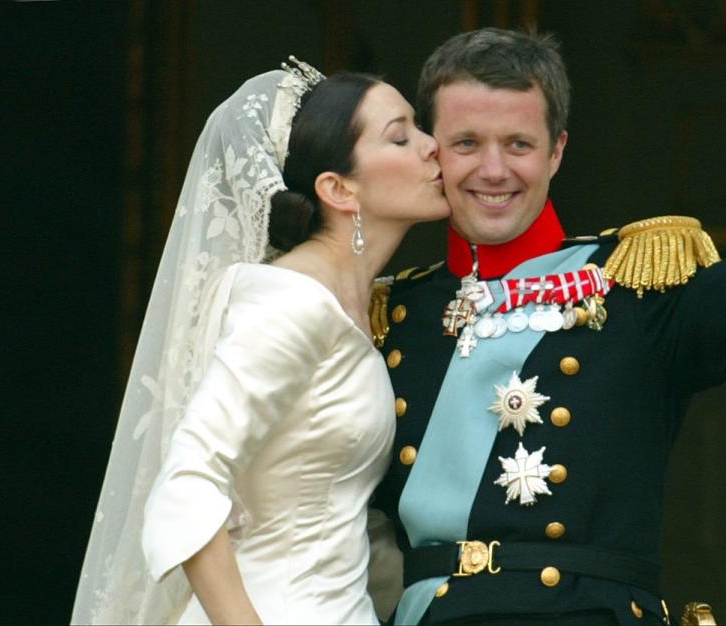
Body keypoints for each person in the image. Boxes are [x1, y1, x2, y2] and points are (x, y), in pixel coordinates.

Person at [369, 5, 726, 625]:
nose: (494, 170)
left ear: (557, 152)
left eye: (519, 144)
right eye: (467, 144)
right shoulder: (392, 314)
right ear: (435, 153)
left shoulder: (638, 287)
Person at [72, 58, 449, 625]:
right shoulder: (291, 304)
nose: (431, 147)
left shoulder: (347, 307)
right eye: (401, 137)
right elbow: (187, 484)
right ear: (338, 188)